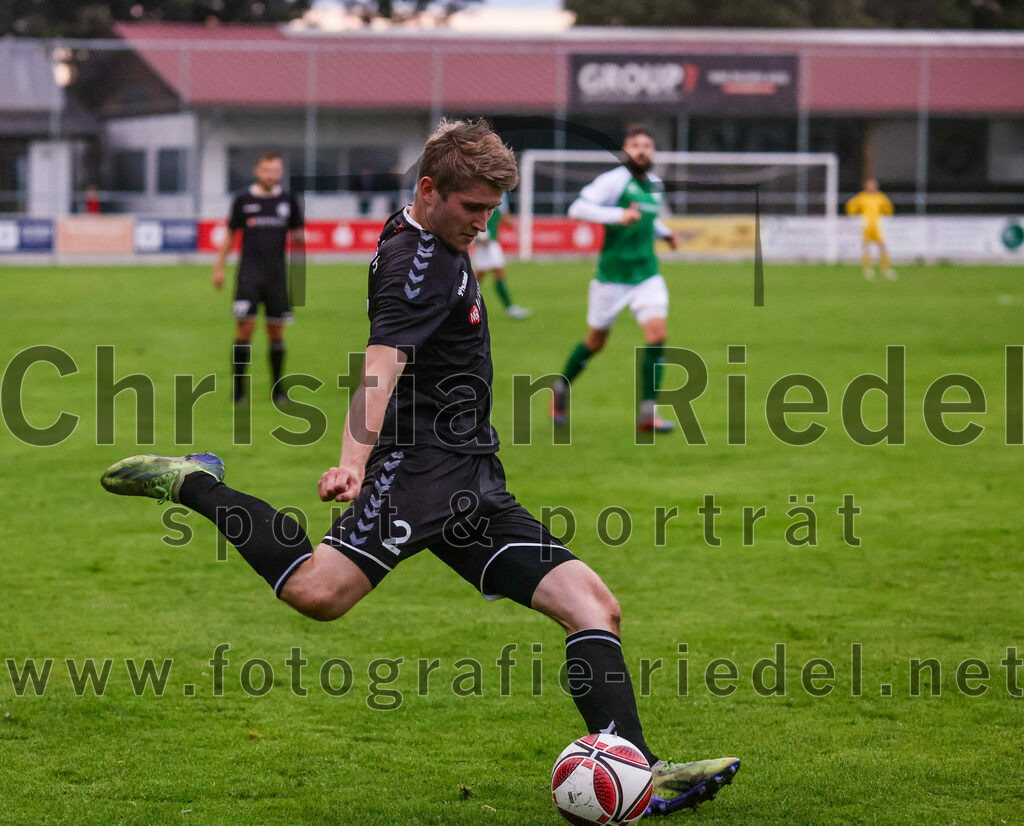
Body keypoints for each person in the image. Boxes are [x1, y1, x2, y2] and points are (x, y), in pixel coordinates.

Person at [100, 119, 738, 817]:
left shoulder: (427, 223)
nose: (484, 224)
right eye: (473, 209)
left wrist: (458, 137)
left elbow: (447, 151)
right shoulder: (418, 266)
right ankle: (195, 481)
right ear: (430, 191)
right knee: (317, 594)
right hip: (414, 472)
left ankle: (638, 775)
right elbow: (380, 367)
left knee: (594, 607)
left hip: (473, 477)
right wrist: (352, 462)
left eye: (493, 210)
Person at [550, 124, 679, 433]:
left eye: (647, 145)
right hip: (611, 278)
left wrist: (665, 233)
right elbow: (577, 208)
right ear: (625, 151)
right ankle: (560, 387)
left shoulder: (655, 185)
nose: (642, 150)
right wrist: (616, 215)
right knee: (595, 342)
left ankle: (648, 413)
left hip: (646, 275)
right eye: (635, 145)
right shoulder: (612, 182)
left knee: (657, 335)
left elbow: (649, 217)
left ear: (654, 152)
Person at [213, 149, 305, 405]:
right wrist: (218, 267)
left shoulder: (289, 201)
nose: (271, 175)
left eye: (276, 171)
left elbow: (299, 239)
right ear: (257, 171)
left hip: (277, 278)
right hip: (248, 277)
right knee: (245, 329)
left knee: (276, 332)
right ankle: (238, 391)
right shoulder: (243, 200)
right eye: (267, 170)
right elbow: (230, 235)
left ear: (281, 172)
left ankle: (278, 391)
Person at [471, 192, 530, 319]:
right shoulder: (485, 189)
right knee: (497, 272)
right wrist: (482, 234)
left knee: (479, 276)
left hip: (491, 241)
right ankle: (510, 308)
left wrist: (514, 225)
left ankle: (461, 303)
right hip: (486, 240)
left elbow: (502, 215)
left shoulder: (502, 193)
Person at [846, 178, 896, 281]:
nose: (871, 187)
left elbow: (888, 209)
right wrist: (856, 217)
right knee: (866, 247)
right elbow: (851, 207)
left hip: (878, 226)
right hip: (867, 226)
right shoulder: (862, 197)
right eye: (869, 185)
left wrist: (887, 217)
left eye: (873, 185)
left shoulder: (880, 197)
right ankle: (868, 269)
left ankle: (885, 268)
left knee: (882, 246)